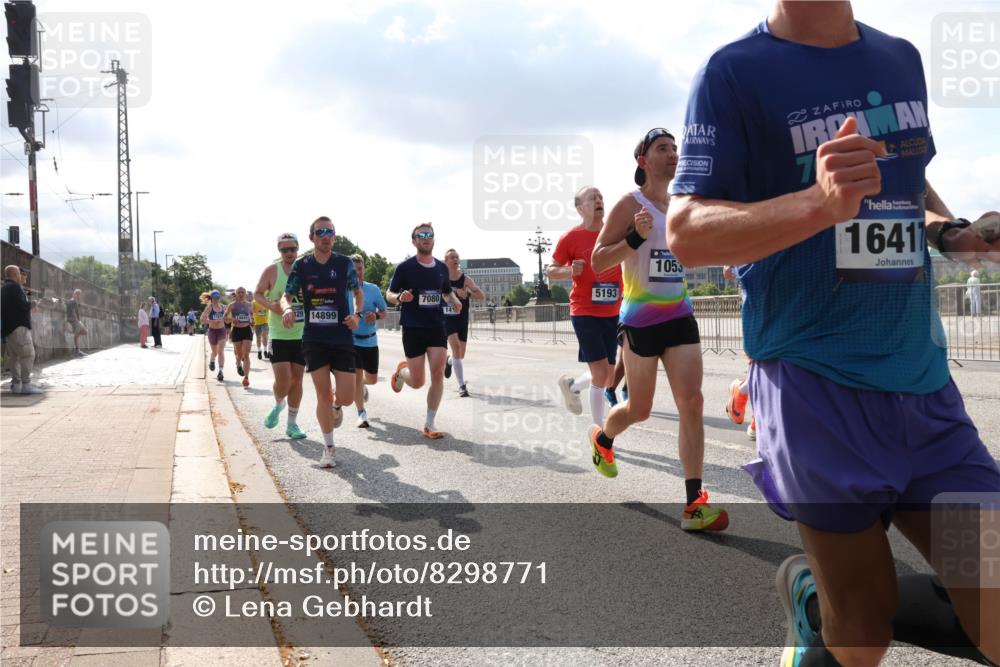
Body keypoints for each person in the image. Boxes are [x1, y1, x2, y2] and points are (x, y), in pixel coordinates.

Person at [666, 2, 1000, 664]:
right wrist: (818, 204)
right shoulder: (732, 72)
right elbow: (685, 230)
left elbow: (902, 182)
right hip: (815, 385)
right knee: (862, 628)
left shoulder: (899, 58)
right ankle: (814, 600)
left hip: (924, 385)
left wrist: (953, 232)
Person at [586, 129, 727, 533]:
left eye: (674, 148)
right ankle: (604, 439)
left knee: (693, 403)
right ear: (642, 160)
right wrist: (634, 236)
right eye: (662, 148)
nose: (672, 154)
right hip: (640, 321)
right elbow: (598, 261)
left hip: (679, 315)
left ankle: (695, 505)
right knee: (640, 409)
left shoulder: (684, 205)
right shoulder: (629, 205)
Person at [279, 216, 363, 468]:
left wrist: (357, 315)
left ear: (334, 236)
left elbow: (357, 293)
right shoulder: (303, 265)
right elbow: (287, 295)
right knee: (322, 394)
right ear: (312, 237)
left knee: (346, 397)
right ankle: (328, 448)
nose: (326, 235)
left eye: (330, 231)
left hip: (341, 337)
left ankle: (339, 405)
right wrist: (285, 309)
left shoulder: (344, 263)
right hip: (314, 338)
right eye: (320, 231)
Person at [548, 186, 623, 428]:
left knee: (609, 376)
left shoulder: (615, 231)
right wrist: (570, 270)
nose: (599, 200)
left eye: (601, 196)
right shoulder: (570, 238)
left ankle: (572, 386)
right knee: (601, 374)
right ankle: (600, 432)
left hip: (613, 311)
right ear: (581, 209)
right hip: (585, 311)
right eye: (592, 198)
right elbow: (550, 271)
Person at [386, 222, 463, 439]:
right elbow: (389, 294)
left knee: (437, 374)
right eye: (421, 235)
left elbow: (447, 292)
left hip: (436, 326)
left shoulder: (441, 268)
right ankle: (401, 373)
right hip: (412, 327)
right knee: (418, 381)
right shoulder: (405, 268)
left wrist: (455, 301)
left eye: (429, 234)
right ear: (414, 241)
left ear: (434, 240)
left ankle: (429, 423)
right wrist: (399, 297)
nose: (426, 237)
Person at [254, 232, 307, 440]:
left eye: (292, 249)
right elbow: (258, 293)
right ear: (279, 250)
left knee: (297, 380)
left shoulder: (306, 269)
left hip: (302, 333)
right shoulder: (272, 270)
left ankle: (292, 423)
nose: (289, 253)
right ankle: (278, 403)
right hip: (278, 334)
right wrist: (272, 306)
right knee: (283, 380)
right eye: (284, 249)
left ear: (298, 249)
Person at [350, 254, 388, 428]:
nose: (357, 272)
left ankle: (362, 386)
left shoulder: (373, 289)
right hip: (351, 342)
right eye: (353, 269)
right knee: (357, 378)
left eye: (360, 268)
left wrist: (377, 315)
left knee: (371, 379)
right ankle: (361, 413)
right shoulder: (343, 291)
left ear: (363, 269)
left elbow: (384, 312)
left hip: (370, 341)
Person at [442, 248, 484, 397]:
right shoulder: (441, 278)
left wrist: (467, 293)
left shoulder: (465, 279)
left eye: (456, 257)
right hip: (447, 317)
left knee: (460, 354)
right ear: (446, 261)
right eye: (451, 257)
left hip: (462, 317)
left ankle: (449, 362)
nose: (455, 259)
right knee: (456, 347)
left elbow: (481, 295)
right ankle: (461, 386)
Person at [1, 265, 42, 394]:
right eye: (20, 273)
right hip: (19, 328)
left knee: (14, 357)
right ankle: (26, 384)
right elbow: (23, 306)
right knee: (28, 354)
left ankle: (16, 384)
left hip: (9, 328)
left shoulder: (4, 288)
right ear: (15, 274)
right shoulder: (15, 287)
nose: (22, 276)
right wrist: (33, 304)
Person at [226, 287, 254, 388]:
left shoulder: (249, 304)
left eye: (243, 292)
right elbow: (225, 318)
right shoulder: (232, 305)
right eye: (239, 292)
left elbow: (252, 315)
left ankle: (246, 378)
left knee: (246, 355)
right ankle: (238, 364)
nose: (241, 294)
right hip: (237, 331)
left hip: (247, 330)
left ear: (245, 294)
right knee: (239, 354)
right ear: (236, 294)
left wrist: (252, 320)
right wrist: (232, 319)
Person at [200, 290, 228, 381]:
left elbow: (228, 319)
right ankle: (212, 361)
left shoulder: (224, 307)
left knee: (220, 351)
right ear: (211, 298)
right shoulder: (209, 307)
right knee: (215, 352)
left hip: (222, 331)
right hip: (212, 331)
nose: (216, 299)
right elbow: (202, 319)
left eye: (218, 297)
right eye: (214, 298)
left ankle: (220, 371)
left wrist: (230, 319)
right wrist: (212, 321)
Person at [65, 289, 88, 356]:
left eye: (79, 295)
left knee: (79, 334)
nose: (79, 296)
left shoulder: (72, 301)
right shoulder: (72, 301)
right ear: (75, 294)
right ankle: (77, 351)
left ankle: (77, 350)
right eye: (78, 294)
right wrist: (77, 320)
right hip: (74, 320)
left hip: (73, 319)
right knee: (85, 331)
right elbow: (73, 311)